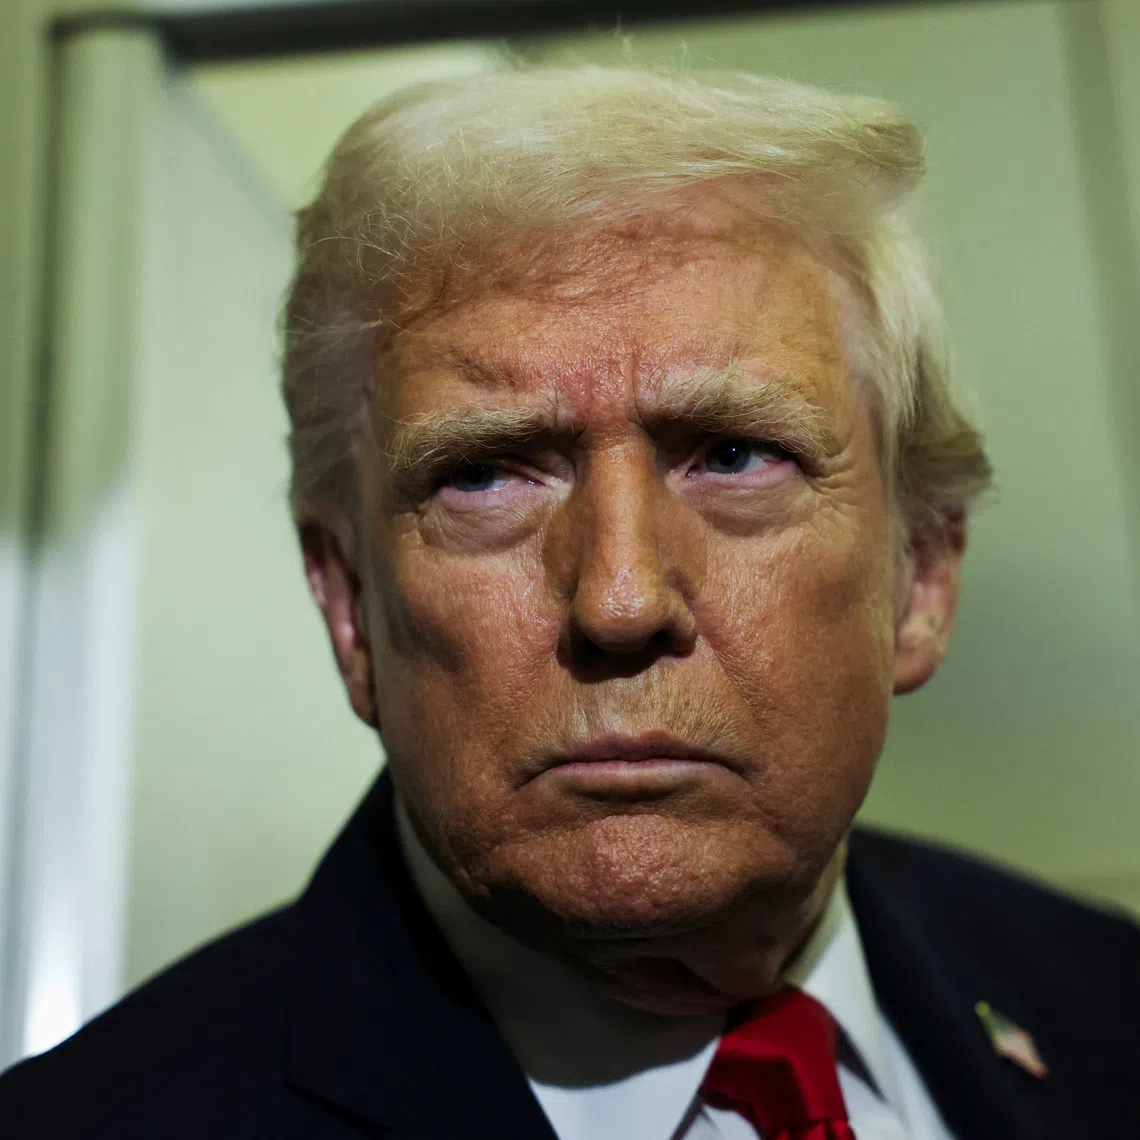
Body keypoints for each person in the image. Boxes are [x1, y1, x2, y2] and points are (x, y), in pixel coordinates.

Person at [1, 65, 1136, 1139]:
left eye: (735, 455)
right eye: (486, 475)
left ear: (922, 577)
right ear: (348, 602)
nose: (620, 598)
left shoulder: (1107, 1006)